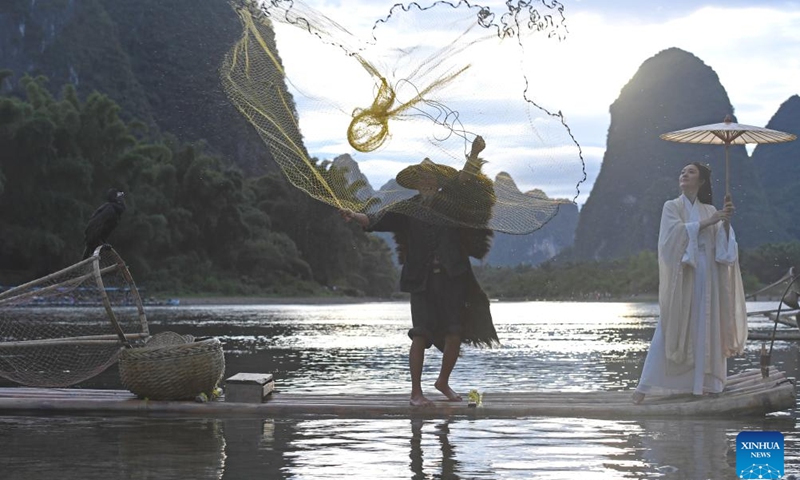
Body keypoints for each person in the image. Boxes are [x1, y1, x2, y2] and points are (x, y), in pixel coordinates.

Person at [341, 136, 498, 407]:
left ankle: (442, 382)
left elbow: (465, 179)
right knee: (420, 333)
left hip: (452, 277)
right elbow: (376, 220)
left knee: (454, 332)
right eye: (422, 179)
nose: (427, 183)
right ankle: (416, 393)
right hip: (421, 281)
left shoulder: (450, 203)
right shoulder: (406, 209)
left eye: (431, 179)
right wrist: (355, 216)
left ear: (438, 183)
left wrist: (473, 153)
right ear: (416, 184)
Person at [632, 162, 747, 404]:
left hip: (709, 275)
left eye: (691, 172)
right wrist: (710, 222)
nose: (684, 174)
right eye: (682, 171)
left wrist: (725, 222)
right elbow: (669, 240)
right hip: (684, 274)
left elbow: (724, 252)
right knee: (671, 324)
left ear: (702, 181)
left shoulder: (710, 209)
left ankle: (704, 384)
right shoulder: (671, 207)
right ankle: (645, 386)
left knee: (707, 324)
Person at [82, 188, 126, 259]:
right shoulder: (110, 209)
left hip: (98, 239)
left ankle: (101, 243)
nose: (120, 195)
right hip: (93, 238)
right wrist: (99, 242)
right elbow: (97, 229)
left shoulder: (115, 211)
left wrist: (103, 242)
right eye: (118, 194)